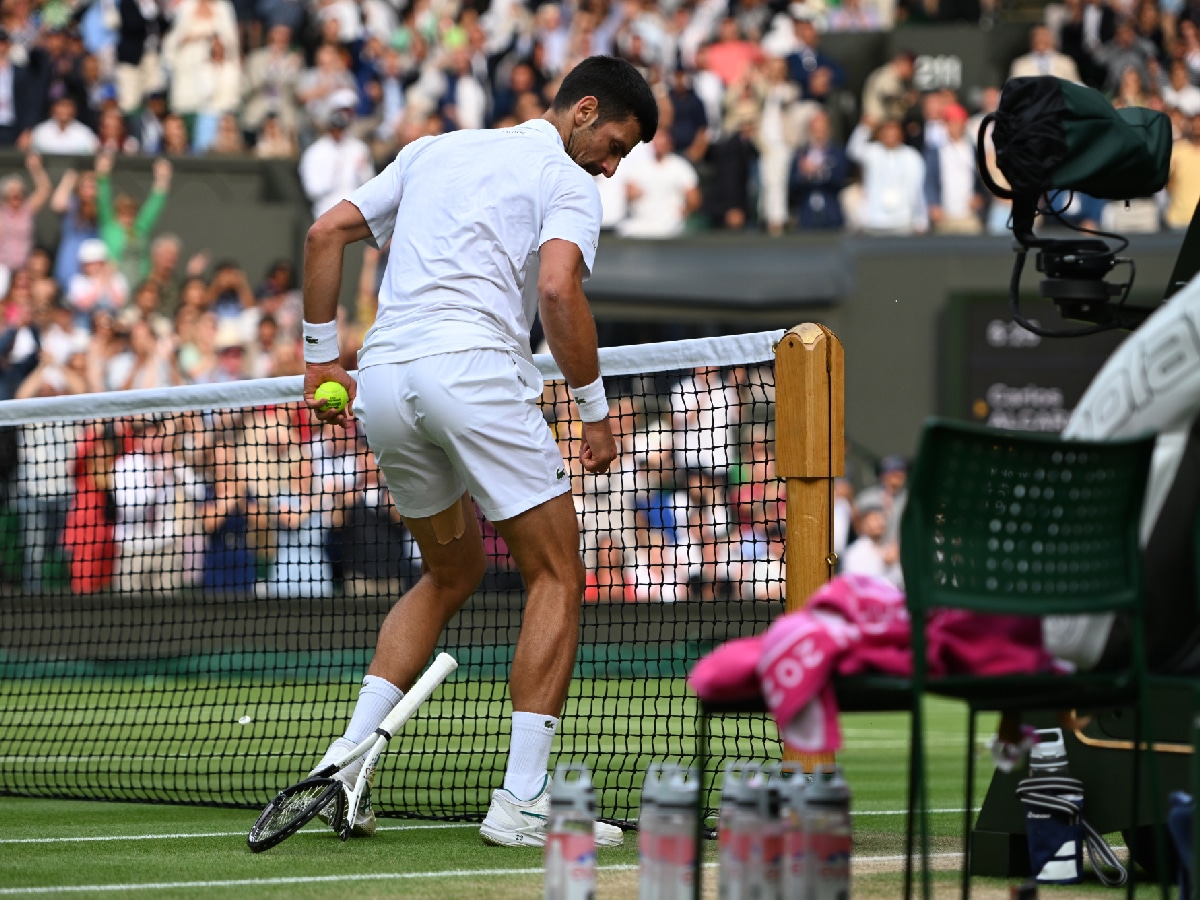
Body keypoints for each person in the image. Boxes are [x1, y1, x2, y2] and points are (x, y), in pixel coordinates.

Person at [299, 55, 656, 846]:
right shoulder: (567, 179)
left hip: (385, 383)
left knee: (451, 571)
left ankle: (345, 762)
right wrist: (595, 413)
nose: (611, 164)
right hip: (474, 374)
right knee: (558, 572)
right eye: (616, 144)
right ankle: (523, 800)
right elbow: (560, 291)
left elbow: (327, 232)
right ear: (584, 110)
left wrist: (322, 357)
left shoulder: (435, 149)